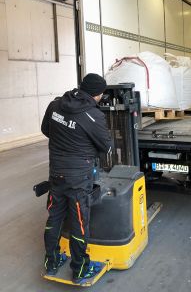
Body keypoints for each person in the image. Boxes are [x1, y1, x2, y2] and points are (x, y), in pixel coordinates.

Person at [41, 73, 112, 284]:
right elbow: (106, 147)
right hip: (78, 177)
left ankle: (51, 261)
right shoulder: (93, 115)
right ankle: (80, 269)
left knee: (54, 217)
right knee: (79, 221)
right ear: (97, 94)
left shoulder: (55, 105)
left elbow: (46, 129)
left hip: (56, 173)